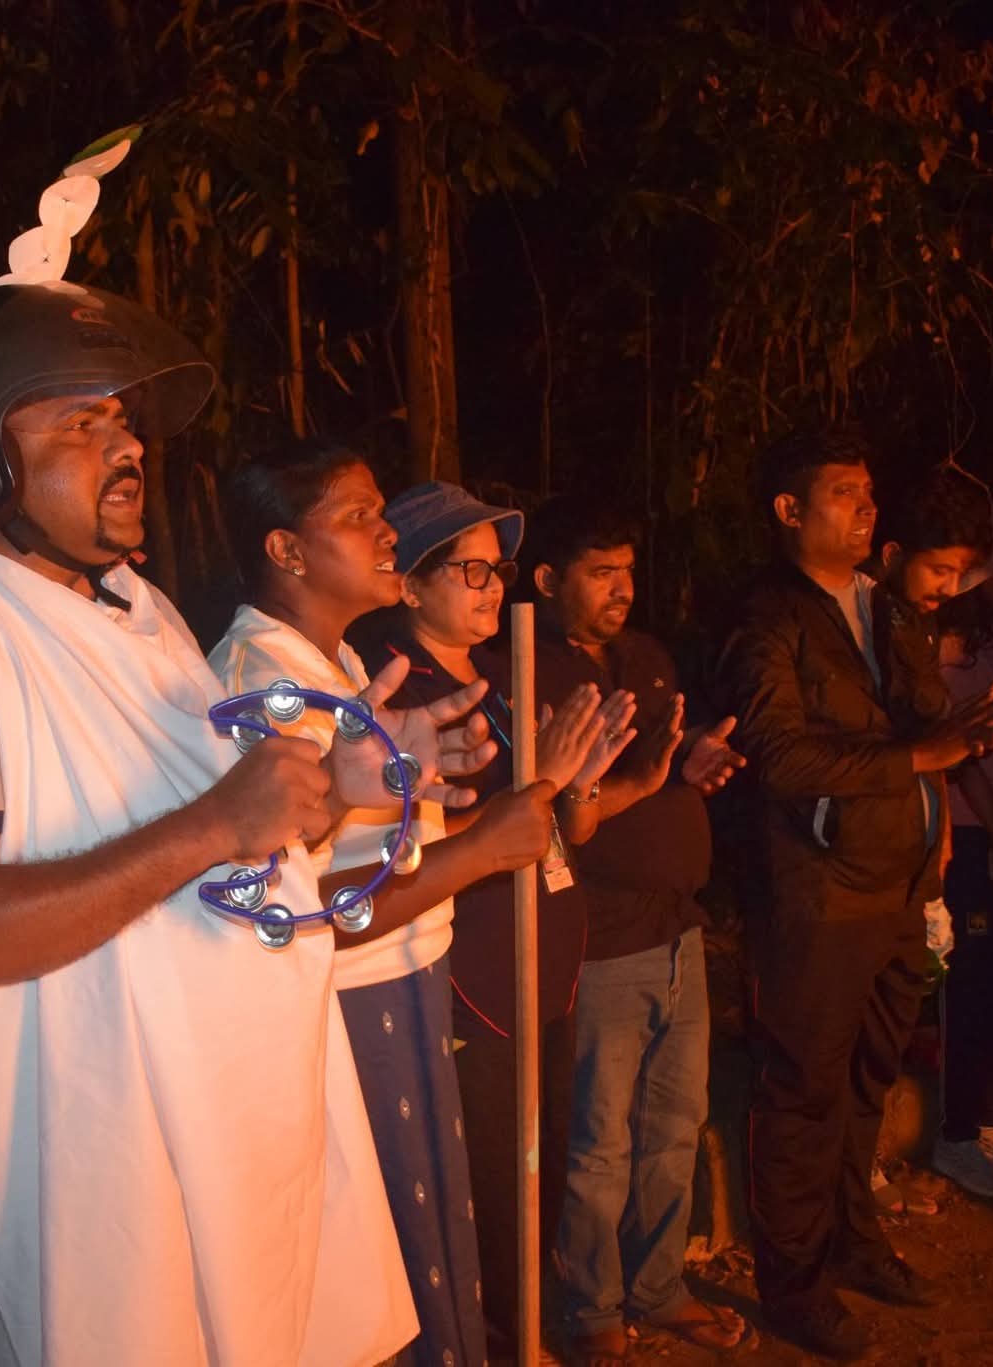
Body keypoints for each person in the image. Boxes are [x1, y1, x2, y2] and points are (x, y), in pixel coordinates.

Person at [0, 283, 497, 1365]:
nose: (128, 444)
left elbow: (237, 846)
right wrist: (214, 824)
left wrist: (347, 783)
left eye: (123, 417)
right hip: (114, 1177)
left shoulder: (148, 621)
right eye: (78, 419)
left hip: (253, 1139)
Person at [212, 443, 626, 1365]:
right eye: (359, 515)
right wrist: (480, 848)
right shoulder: (263, 680)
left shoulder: (338, 664)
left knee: (435, 1257)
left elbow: (367, 843)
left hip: (404, 983)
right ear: (285, 549)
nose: (386, 532)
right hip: (348, 1007)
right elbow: (288, 907)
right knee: (385, 1283)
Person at [716, 430, 993, 1361]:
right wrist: (920, 754)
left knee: (863, 1083)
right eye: (843, 492)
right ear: (789, 510)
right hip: (817, 896)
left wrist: (963, 730)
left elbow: (920, 723)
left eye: (870, 492)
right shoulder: (766, 615)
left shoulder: (885, 606)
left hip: (897, 887)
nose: (865, 507)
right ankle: (793, 1282)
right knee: (803, 1093)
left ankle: (853, 1238)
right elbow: (779, 754)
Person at [349, 482, 620, 1360]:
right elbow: (434, 842)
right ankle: (503, 1343)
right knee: (493, 1192)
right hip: (476, 977)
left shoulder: (508, 675)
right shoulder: (400, 695)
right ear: (410, 583)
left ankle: (527, 1330)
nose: (492, 586)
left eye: (498, 569)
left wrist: (581, 784)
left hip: (549, 960)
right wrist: (544, 785)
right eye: (469, 569)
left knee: (545, 1168)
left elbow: (563, 827)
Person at [523, 496, 748, 1362]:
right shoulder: (529, 671)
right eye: (600, 572)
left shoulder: (646, 656)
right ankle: (591, 1305)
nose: (622, 587)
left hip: (678, 928)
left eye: (626, 569)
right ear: (549, 579)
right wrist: (649, 779)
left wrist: (693, 759)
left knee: (675, 1125)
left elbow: (663, 758)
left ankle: (658, 1285)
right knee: (598, 1138)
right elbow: (560, 815)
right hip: (603, 938)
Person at [876, 474, 993, 1196]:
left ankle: (990, 1122)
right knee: (970, 988)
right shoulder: (942, 647)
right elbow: (960, 757)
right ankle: (957, 1132)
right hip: (976, 838)